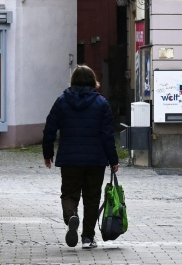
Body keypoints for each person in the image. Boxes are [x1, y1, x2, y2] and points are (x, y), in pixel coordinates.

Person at [43, 65, 119, 249]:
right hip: (96, 159)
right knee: (92, 198)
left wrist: (48, 153)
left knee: (69, 193)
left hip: (70, 158)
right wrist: (113, 160)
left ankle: (71, 217)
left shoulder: (62, 101)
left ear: (73, 81)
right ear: (94, 81)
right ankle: (87, 238)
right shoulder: (102, 103)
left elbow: (50, 128)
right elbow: (107, 135)